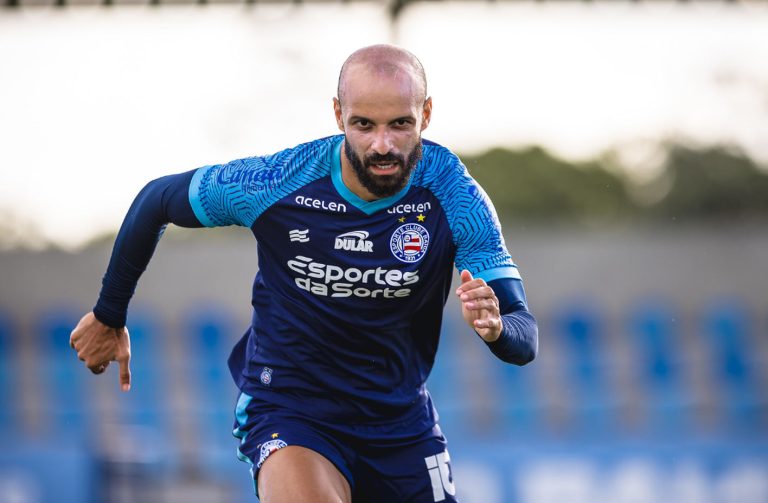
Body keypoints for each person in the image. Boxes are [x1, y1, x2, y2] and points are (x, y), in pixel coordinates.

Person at [70, 44, 538, 503]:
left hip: (401, 423)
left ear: (426, 114)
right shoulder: (278, 181)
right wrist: (109, 314)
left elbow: (524, 336)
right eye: (363, 124)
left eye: (400, 124)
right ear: (338, 115)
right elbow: (156, 200)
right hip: (291, 408)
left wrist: (496, 328)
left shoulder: (456, 197)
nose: (382, 145)